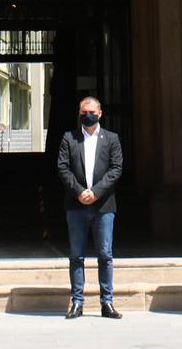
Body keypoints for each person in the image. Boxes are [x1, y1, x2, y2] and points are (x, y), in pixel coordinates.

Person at [57, 96, 123, 319]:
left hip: (104, 206)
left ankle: (107, 302)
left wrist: (96, 192)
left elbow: (116, 168)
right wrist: (79, 192)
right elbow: (63, 168)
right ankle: (77, 302)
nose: (88, 115)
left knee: (105, 254)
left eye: (92, 111)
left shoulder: (111, 139)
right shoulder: (69, 138)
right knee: (76, 255)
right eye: (84, 111)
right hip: (76, 206)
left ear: (100, 113)